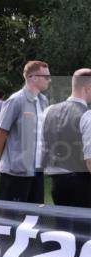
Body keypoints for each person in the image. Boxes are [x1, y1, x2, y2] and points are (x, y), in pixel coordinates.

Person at [0, 60, 51, 204]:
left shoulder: (44, 101)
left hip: (37, 172)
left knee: (33, 220)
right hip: (15, 174)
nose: (49, 80)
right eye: (46, 76)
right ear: (32, 77)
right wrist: (6, 161)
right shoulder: (15, 100)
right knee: (11, 220)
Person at [41, 68, 91, 208]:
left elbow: (41, 147)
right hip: (81, 182)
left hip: (56, 182)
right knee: (82, 228)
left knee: (61, 227)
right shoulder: (87, 115)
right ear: (88, 88)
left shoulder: (48, 111)